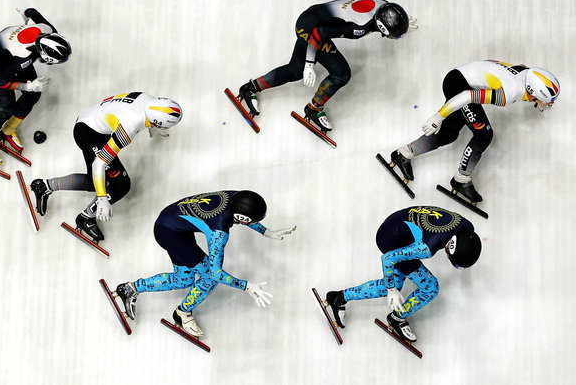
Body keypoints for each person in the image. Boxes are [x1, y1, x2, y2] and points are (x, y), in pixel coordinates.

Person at [113, 190, 296, 337]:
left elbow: (245, 215)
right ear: (241, 218)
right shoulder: (219, 232)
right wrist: (247, 286)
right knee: (209, 278)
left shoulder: (235, 196)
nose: (253, 223)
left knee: (183, 280)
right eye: (253, 222)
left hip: (171, 222)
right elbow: (216, 273)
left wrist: (266, 232)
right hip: (169, 232)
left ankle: (130, 288)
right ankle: (183, 313)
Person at [389, 60, 560, 202]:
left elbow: (516, 68)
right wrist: (438, 116)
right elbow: (467, 97)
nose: (550, 104)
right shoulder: (508, 94)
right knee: (484, 134)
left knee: (448, 133)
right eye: (548, 100)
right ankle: (461, 180)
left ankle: (404, 153)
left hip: (461, 77)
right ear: (532, 93)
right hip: (460, 87)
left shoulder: (526, 72)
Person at [237, 0, 414, 132]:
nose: (395, 38)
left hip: (312, 18)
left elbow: (391, 13)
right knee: (341, 73)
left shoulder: (382, 4)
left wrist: (401, 26)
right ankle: (314, 108)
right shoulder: (358, 28)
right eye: (395, 36)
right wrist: (309, 65)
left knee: (294, 71)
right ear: (382, 29)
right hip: (313, 30)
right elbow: (317, 34)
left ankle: (250, 88)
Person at [30, 92, 182, 241]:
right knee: (121, 185)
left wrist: (152, 125)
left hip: (89, 121)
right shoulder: (128, 128)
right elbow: (99, 164)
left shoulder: (149, 99)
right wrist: (102, 198)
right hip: (90, 134)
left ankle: (44, 186)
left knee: (92, 181)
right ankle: (86, 217)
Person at [325, 206, 481, 343]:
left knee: (401, 279)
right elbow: (387, 258)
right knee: (429, 287)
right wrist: (391, 290)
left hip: (398, 222)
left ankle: (340, 297)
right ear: (449, 248)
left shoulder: (467, 227)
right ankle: (395, 317)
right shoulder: (427, 247)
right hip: (391, 239)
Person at [0, 8, 71, 166]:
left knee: (35, 94)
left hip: (10, 53)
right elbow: (1, 81)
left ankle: (7, 131)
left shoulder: (48, 30)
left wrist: (25, 15)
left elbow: (32, 11)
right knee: (6, 107)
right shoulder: (25, 57)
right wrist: (27, 86)